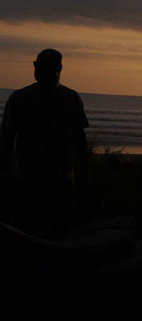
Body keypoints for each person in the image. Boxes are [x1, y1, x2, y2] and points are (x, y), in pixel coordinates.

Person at [0, 49, 88, 238]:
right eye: (36, 65)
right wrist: (5, 172)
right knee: (25, 230)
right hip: (26, 179)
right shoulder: (20, 98)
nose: (38, 69)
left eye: (44, 65)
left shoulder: (71, 98)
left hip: (60, 181)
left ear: (59, 68)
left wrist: (85, 174)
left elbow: (80, 139)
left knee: (61, 231)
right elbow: (6, 138)